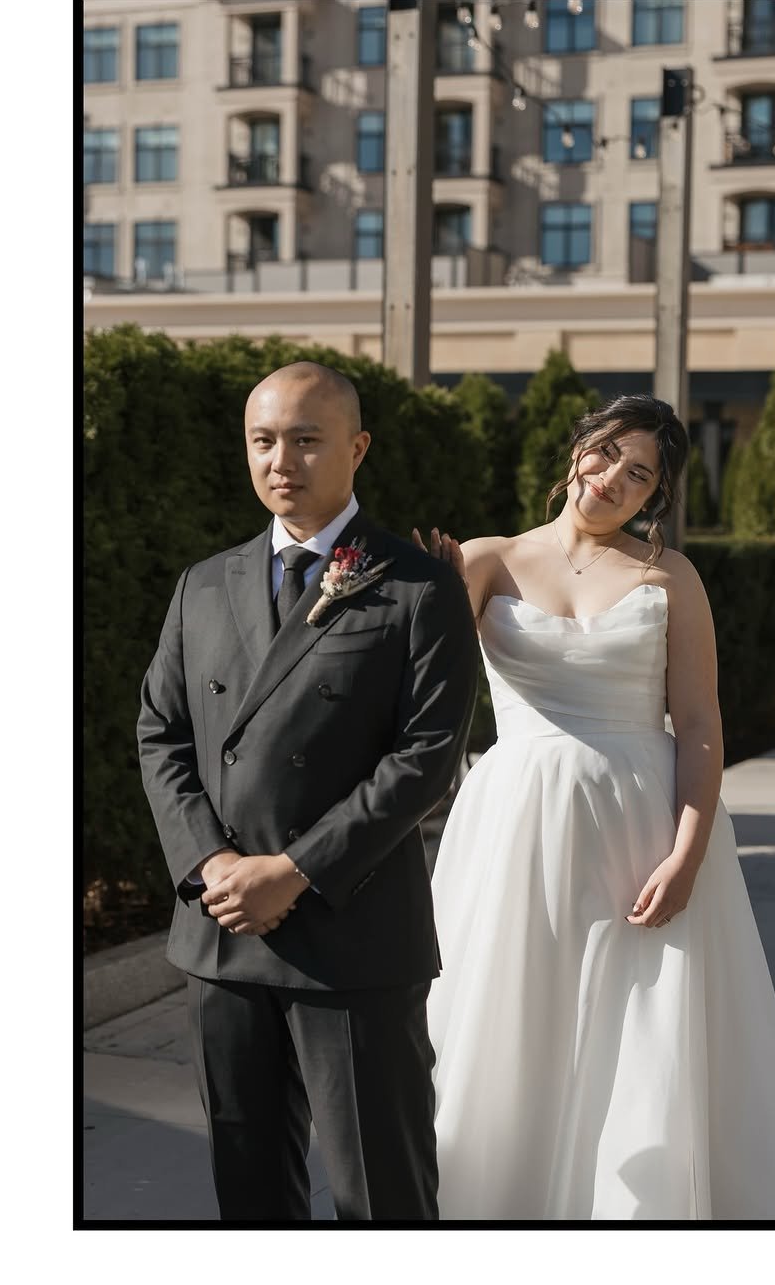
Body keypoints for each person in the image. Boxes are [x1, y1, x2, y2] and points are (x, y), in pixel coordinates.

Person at [417, 394, 775, 1220]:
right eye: (605, 455)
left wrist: (687, 853)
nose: (612, 479)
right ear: (577, 452)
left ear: (655, 499)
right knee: (513, 1019)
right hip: (513, 829)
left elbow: (702, 722)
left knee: (642, 1031)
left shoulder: (667, 575)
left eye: (639, 475)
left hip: (642, 828)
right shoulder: (486, 561)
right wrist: (424, 592)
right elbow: (420, 688)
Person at [137, 361, 478, 1222]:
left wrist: (291, 869)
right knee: (249, 1189)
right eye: (262, 440)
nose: (280, 459)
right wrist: (211, 863)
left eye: (305, 439)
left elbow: (427, 755)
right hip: (220, 933)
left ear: (357, 448)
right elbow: (161, 733)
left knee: (380, 1190)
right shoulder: (202, 583)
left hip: (352, 931)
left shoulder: (417, 585)